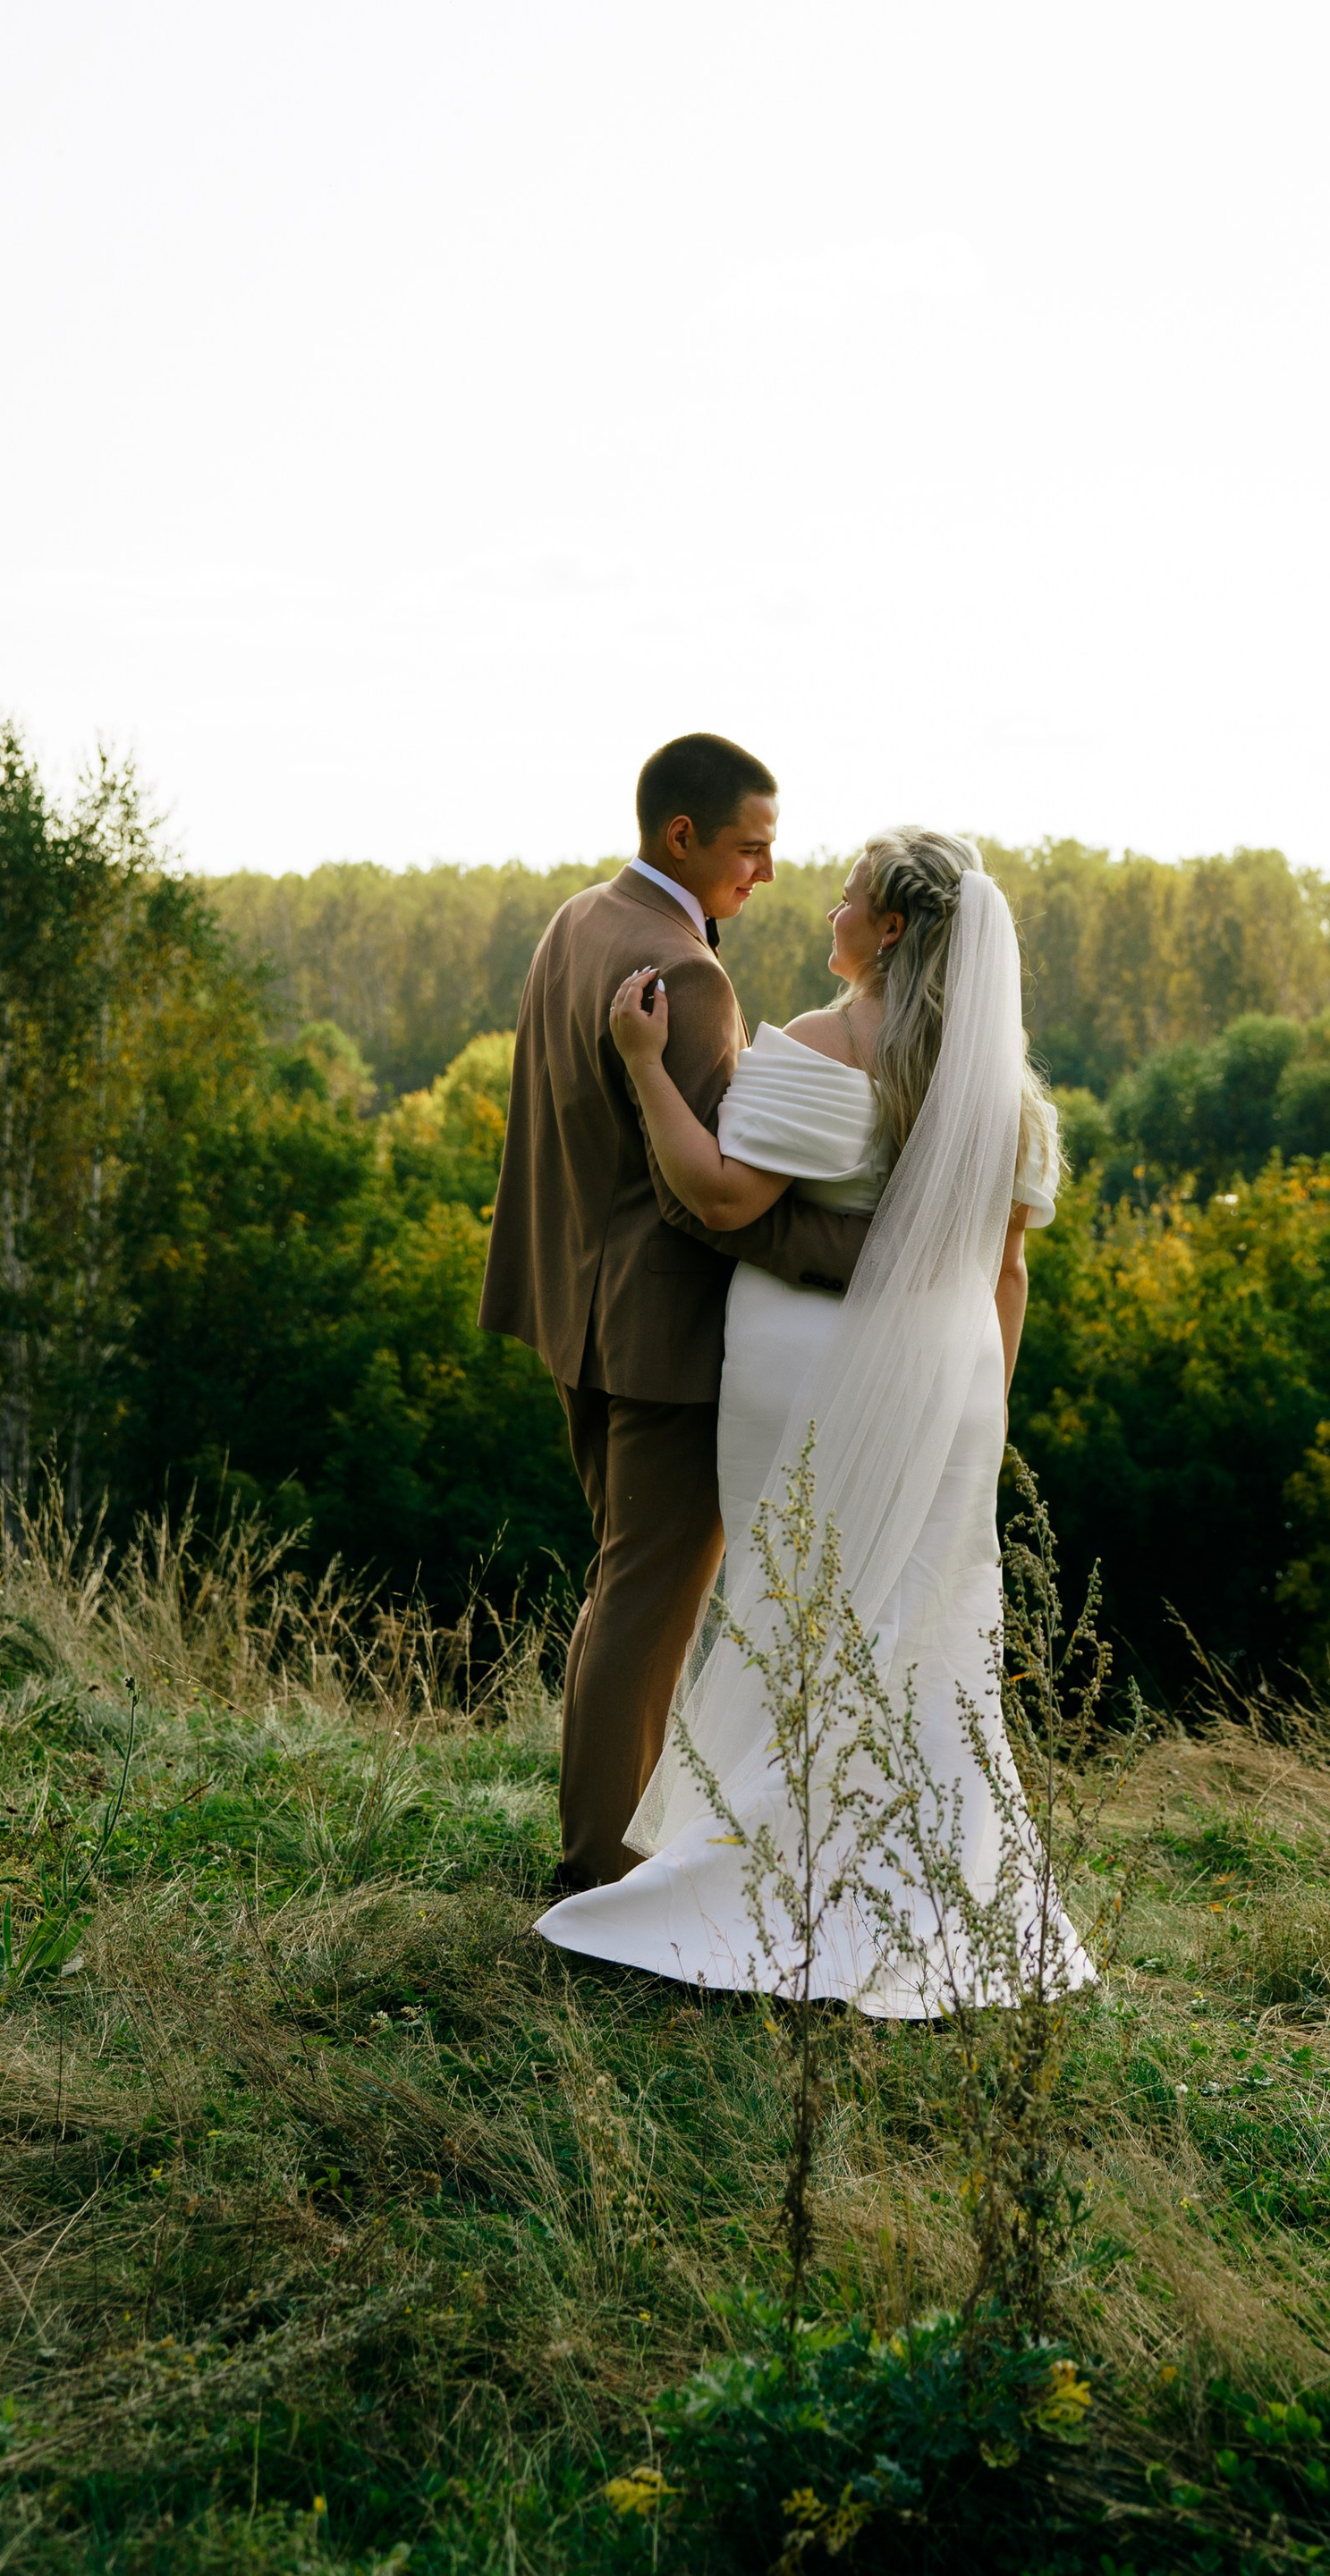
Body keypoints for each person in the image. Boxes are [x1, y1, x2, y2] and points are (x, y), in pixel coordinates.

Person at [536, 829, 1092, 2017]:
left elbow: (721, 1193)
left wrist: (645, 1065)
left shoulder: (817, 1047)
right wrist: (983, 1414)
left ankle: (766, 1877)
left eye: (847, 899)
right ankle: (923, 1886)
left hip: (808, 1381)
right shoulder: (1003, 1095)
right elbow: (1006, 1276)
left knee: (796, 1617)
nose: (826, 912)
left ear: (888, 930)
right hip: (953, 1390)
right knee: (920, 1627)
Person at [479, 734, 869, 1896]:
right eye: (751, 848)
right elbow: (710, 1202)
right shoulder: (685, 975)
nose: (768, 872)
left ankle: (600, 1844)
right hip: (659, 1339)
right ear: (682, 835)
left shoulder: (580, 920)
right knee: (649, 1604)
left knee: (625, 1588)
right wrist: (870, 1254)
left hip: (576, 1309)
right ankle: (599, 1872)